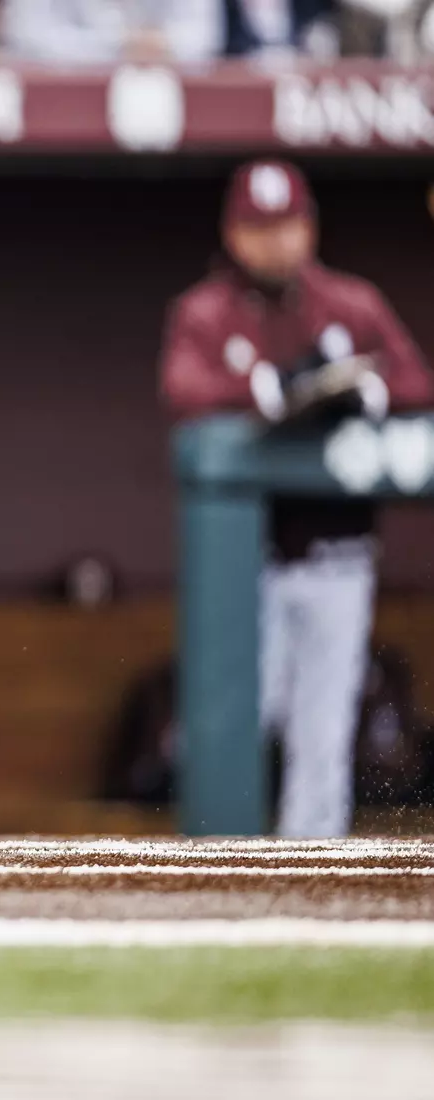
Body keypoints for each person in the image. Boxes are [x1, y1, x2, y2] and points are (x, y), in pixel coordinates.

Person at [160, 158, 434, 837]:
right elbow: (183, 390)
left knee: (324, 729)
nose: (274, 242)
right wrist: (268, 391)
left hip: (336, 553)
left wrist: (356, 392)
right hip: (245, 562)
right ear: (232, 233)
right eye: (259, 228)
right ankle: (221, 869)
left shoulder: (349, 304)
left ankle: (309, 874)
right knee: (236, 717)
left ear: (309, 227)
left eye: (286, 226)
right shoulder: (204, 312)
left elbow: (414, 382)